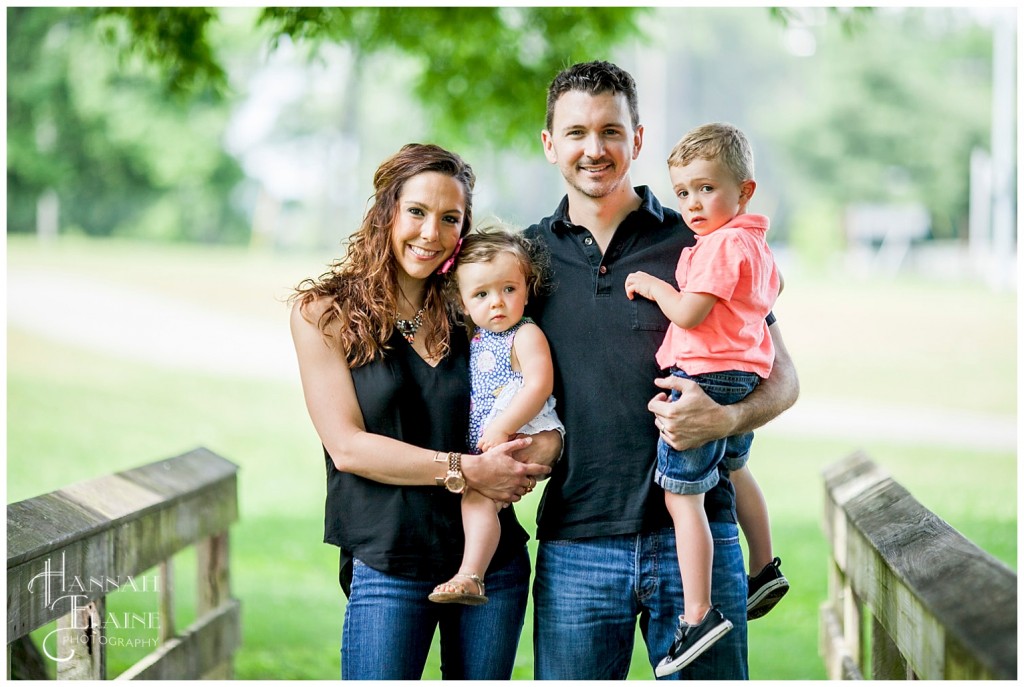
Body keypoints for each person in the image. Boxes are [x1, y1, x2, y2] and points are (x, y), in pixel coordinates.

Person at [523, 61, 799, 680]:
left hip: (701, 534)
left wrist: (726, 417)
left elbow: (785, 378)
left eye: (611, 131)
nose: (594, 149)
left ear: (638, 139)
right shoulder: (527, 258)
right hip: (576, 543)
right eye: (575, 133)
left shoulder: (702, 241)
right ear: (550, 145)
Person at [289, 143, 554, 680]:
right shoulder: (325, 314)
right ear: (386, 211)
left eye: (450, 218)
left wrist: (538, 454)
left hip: (488, 565)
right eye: (417, 212)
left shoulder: (476, 306)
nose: (431, 233)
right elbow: (347, 447)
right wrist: (468, 469)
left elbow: (537, 397)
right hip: (390, 561)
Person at [624, 122, 789, 676]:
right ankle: (764, 566)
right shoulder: (753, 242)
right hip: (742, 372)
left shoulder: (719, 246)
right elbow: (775, 289)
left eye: (706, 189)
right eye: (684, 192)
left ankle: (697, 614)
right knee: (736, 470)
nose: (693, 204)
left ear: (744, 191)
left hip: (706, 376)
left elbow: (689, 313)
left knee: (683, 497)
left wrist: (652, 286)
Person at [429, 228, 565, 605]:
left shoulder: (525, 333)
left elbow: (539, 385)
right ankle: (470, 572)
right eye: (481, 294)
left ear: (527, 286)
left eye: (509, 289)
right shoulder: (477, 337)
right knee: (478, 495)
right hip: (505, 432)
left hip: (528, 428)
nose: (497, 303)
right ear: (461, 301)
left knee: (477, 497)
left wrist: (503, 427)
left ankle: (471, 575)